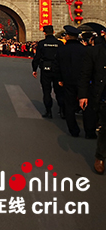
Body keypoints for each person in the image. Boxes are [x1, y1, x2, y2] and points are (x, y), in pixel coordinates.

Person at [79, 31, 106, 174]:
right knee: (105, 129)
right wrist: (83, 95)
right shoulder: (94, 51)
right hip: (102, 95)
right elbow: (85, 74)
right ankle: (100, 157)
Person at [57, 25, 88, 137]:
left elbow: (58, 66)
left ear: (68, 36)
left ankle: (73, 130)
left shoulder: (61, 50)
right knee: (85, 104)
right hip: (82, 81)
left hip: (67, 81)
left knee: (69, 105)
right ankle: (89, 130)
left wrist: (60, 79)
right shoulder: (84, 50)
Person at [32, 25, 64, 119]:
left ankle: (48, 111)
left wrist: (34, 69)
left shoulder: (42, 44)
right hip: (58, 70)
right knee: (59, 91)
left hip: (46, 69)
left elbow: (37, 57)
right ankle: (62, 110)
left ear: (44, 33)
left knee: (47, 91)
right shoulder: (60, 44)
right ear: (53, 32)